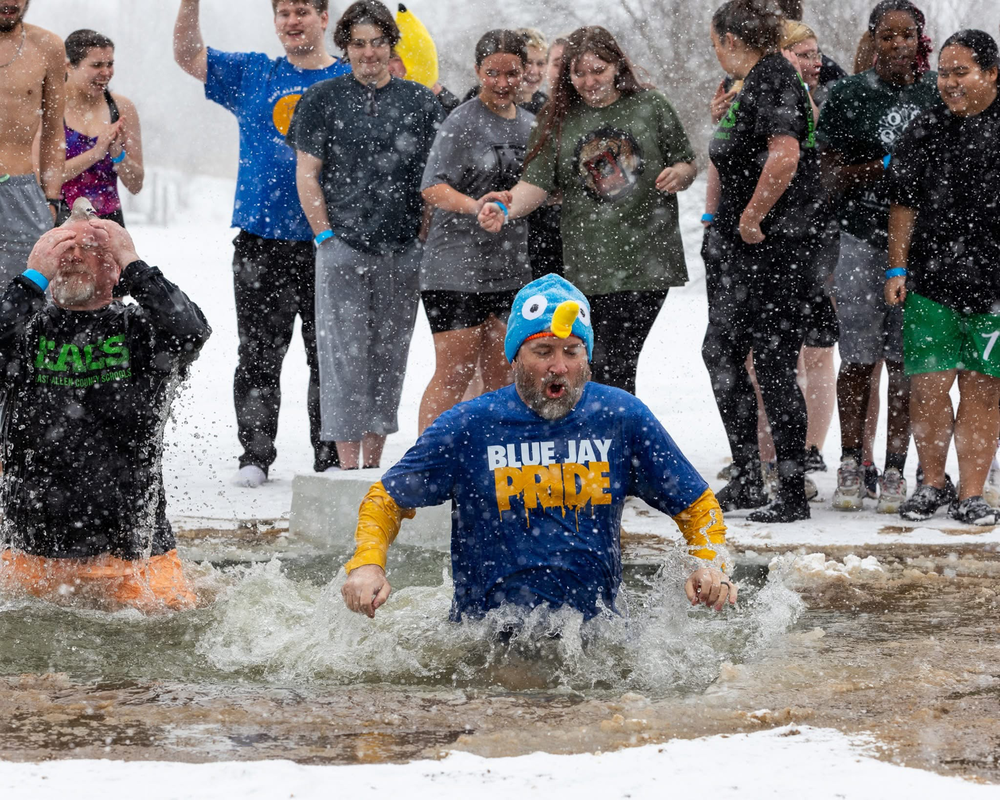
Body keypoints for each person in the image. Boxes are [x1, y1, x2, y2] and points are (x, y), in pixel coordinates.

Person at [340, 274, 737, 620]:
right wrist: (367, 565)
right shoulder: (471, 425)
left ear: (587, 358)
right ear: (515, 357)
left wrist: (708, 563)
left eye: (571, 351)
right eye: (543, 351)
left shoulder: (620, 416)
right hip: (485, 638)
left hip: (597, 635)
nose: (559, 366)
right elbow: (386, 499)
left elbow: (696, 504)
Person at [0, 200, 211, 610]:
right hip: (29, 551)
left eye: (91, 247)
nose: (73, 255)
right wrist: (31, 277)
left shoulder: (139, 332)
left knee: (163, 645)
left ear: (116, 270)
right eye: (63, 247)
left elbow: (191, 331)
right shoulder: (24, 331)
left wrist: (134, 262)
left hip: (132, 554)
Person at [173, 0, 349, 488]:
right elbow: (190, 56)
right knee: (257, 355)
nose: (292, 21)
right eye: (284, 12)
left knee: (328, 355)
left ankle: (330, 453)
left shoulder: (348, 79)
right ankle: (254, 453)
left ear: (323, 18)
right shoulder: (253, 72)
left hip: (328, 241)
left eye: (302, 11)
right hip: (261, 242)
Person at [478, 26, 697, 396]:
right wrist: (506, 207)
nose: (589, 80)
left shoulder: (650, 106)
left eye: (598, 70)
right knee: (596, 364)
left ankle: (615, 442)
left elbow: (688, 162)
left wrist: (680, 174)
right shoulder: (559, 117)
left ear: (617, 67)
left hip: (646, 258)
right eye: (579, 73)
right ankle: (607, 438)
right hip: (586, 261)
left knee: (615, 361)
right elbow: (537, 183)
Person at [288, 0, 445, 470]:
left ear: (391, 46)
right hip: (342, 247)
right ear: (345, 48)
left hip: (402, 249)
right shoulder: (321, 100)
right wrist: (324, 237)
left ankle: (374, 466)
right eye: (358, 44)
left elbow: (434, 180)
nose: (369, 53)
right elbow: (307, 173)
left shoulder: (420, 102)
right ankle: (347, 464)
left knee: (389, 355)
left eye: (378, 42)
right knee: (341, 357)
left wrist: (421, 236)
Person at [702, 0, 824, 523]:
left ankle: (791, 493)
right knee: (723, 354)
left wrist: (753, 218)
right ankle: (750, 477)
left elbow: (786, 153)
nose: (716, 53)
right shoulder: (757, 81)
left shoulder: (773, 76)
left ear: (731, 40)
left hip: (772, 250)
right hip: (741, 253)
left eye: (715, 43)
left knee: (773, 364)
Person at [817, 0, 938, 513]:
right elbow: (827, 174)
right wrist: (881, 166)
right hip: (859, 237)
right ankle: (851, 461)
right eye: (887, 37)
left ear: (919, 38)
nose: (896, 45)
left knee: (905, 360)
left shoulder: (937, 94)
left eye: (906, 35)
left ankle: (894, 468)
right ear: (874, 39)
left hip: (922, 246)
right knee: (859, 356)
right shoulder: (848, 95)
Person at [886, 30, 1000, 524]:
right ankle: (933, 481)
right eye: (943, 73)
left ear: (992, 73)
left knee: (982, 387)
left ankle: (973, 493)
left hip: (995, 287)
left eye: (961, 72)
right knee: (928, 386)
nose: (949, 83)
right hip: (931, 281)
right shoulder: (925, 128)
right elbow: (902, 204)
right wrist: (896, 265)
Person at [417, 30, 533, 433]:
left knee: (504, 378)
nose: (502, 83)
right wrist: (476, 205)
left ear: (525, 72)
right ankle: (426, 468)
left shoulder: (532, 126)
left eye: (512, 73)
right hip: (454, 267)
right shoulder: (461, 121)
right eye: (492, 73)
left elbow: (539, 190)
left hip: (510, 269)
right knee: (455, 374)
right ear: (477, 71)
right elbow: (432, 186)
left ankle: (492, 468)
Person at [0, 0, 65, 283]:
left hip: (21, 190)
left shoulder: (47, 46)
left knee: (29, 298)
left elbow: (53, 132)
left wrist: (51, 198)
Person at [60, 29, 143, 227]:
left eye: (110, 64)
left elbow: (136, 185)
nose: (106, 72)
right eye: (97, 65)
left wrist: (117, 154)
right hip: (60, 220)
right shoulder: (52, 108)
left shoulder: (122, 109)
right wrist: (95, 153)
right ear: (69, 66)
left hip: (109, 223)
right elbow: (45, 178)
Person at [515, 28, 549, 113]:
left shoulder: (551, 111)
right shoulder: (483, 105)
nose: (534, 71)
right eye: (527, 62)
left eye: (540, 64)